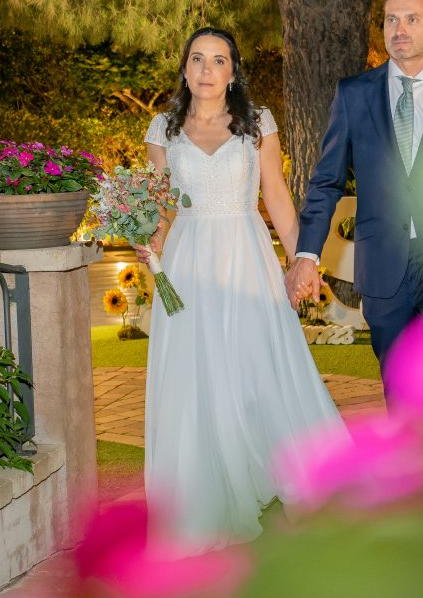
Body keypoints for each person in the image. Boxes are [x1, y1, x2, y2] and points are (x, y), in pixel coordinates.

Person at [137, 27, 343, 548]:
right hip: (184, 262)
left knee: (258, 364)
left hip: (245, 255)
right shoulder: (162, 129)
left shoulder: (258, 124)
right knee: (195, 370)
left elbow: (275, 195)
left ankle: (297, 474)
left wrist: (303, 260)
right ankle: (203, 488)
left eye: (219, 60)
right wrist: (149, 245)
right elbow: (159, 204)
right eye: (198, 59)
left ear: (234, 71)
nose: (207, 70)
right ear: (185, 67)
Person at [285, 0, 423, 380]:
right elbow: (326, 181)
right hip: (383, 267)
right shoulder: (353, 94)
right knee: (399, 384)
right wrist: (306, 255)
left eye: (412, 19)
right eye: (391, 19)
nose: (399, 29)